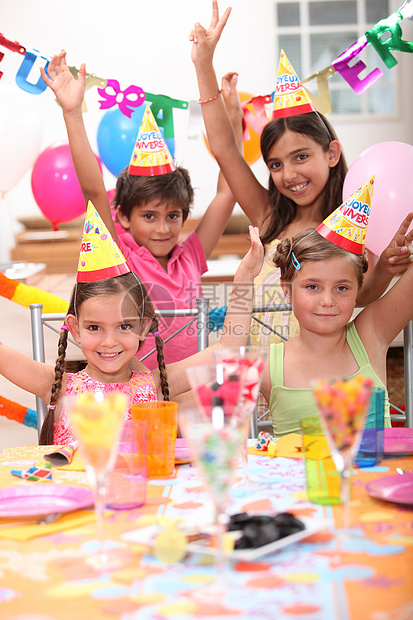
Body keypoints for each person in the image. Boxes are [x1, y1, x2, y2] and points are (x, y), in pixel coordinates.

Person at [189, 0, 413, 346]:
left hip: (317, 376)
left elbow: (363, 293)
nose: (289, 173)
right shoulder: (267, 216)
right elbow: (224, 149)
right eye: (276, 164)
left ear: (332, 153)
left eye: (301, 156)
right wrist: (203, 64)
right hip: (262, 380)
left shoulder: (355, 221)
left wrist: (385, 267)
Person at [40, 50, 244, 368]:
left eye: (173, 216)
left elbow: (228, 190)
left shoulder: (190, 255)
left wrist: (234, 118)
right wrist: (72, 112)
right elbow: (93, 189)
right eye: (149, 216)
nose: (163, 228)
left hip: (186, 389)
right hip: (137, 394)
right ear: (122, 215)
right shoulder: (122, 256)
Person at [0, 227, 263, 445]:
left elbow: (229, 346)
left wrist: (245, 276)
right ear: (75, 329)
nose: (109, 342)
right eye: (94, 327)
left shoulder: (157, 384)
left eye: (124, 326)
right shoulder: (59, 387)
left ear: (143, 328)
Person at [256, 213, 413, 436]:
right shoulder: (267, 363)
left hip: (378, 471)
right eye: (312, 287)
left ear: (358, 289)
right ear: (287, 289)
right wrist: (243, 277)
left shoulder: (370, 334)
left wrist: (397, 260)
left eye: (342, 288)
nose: (327, 301)